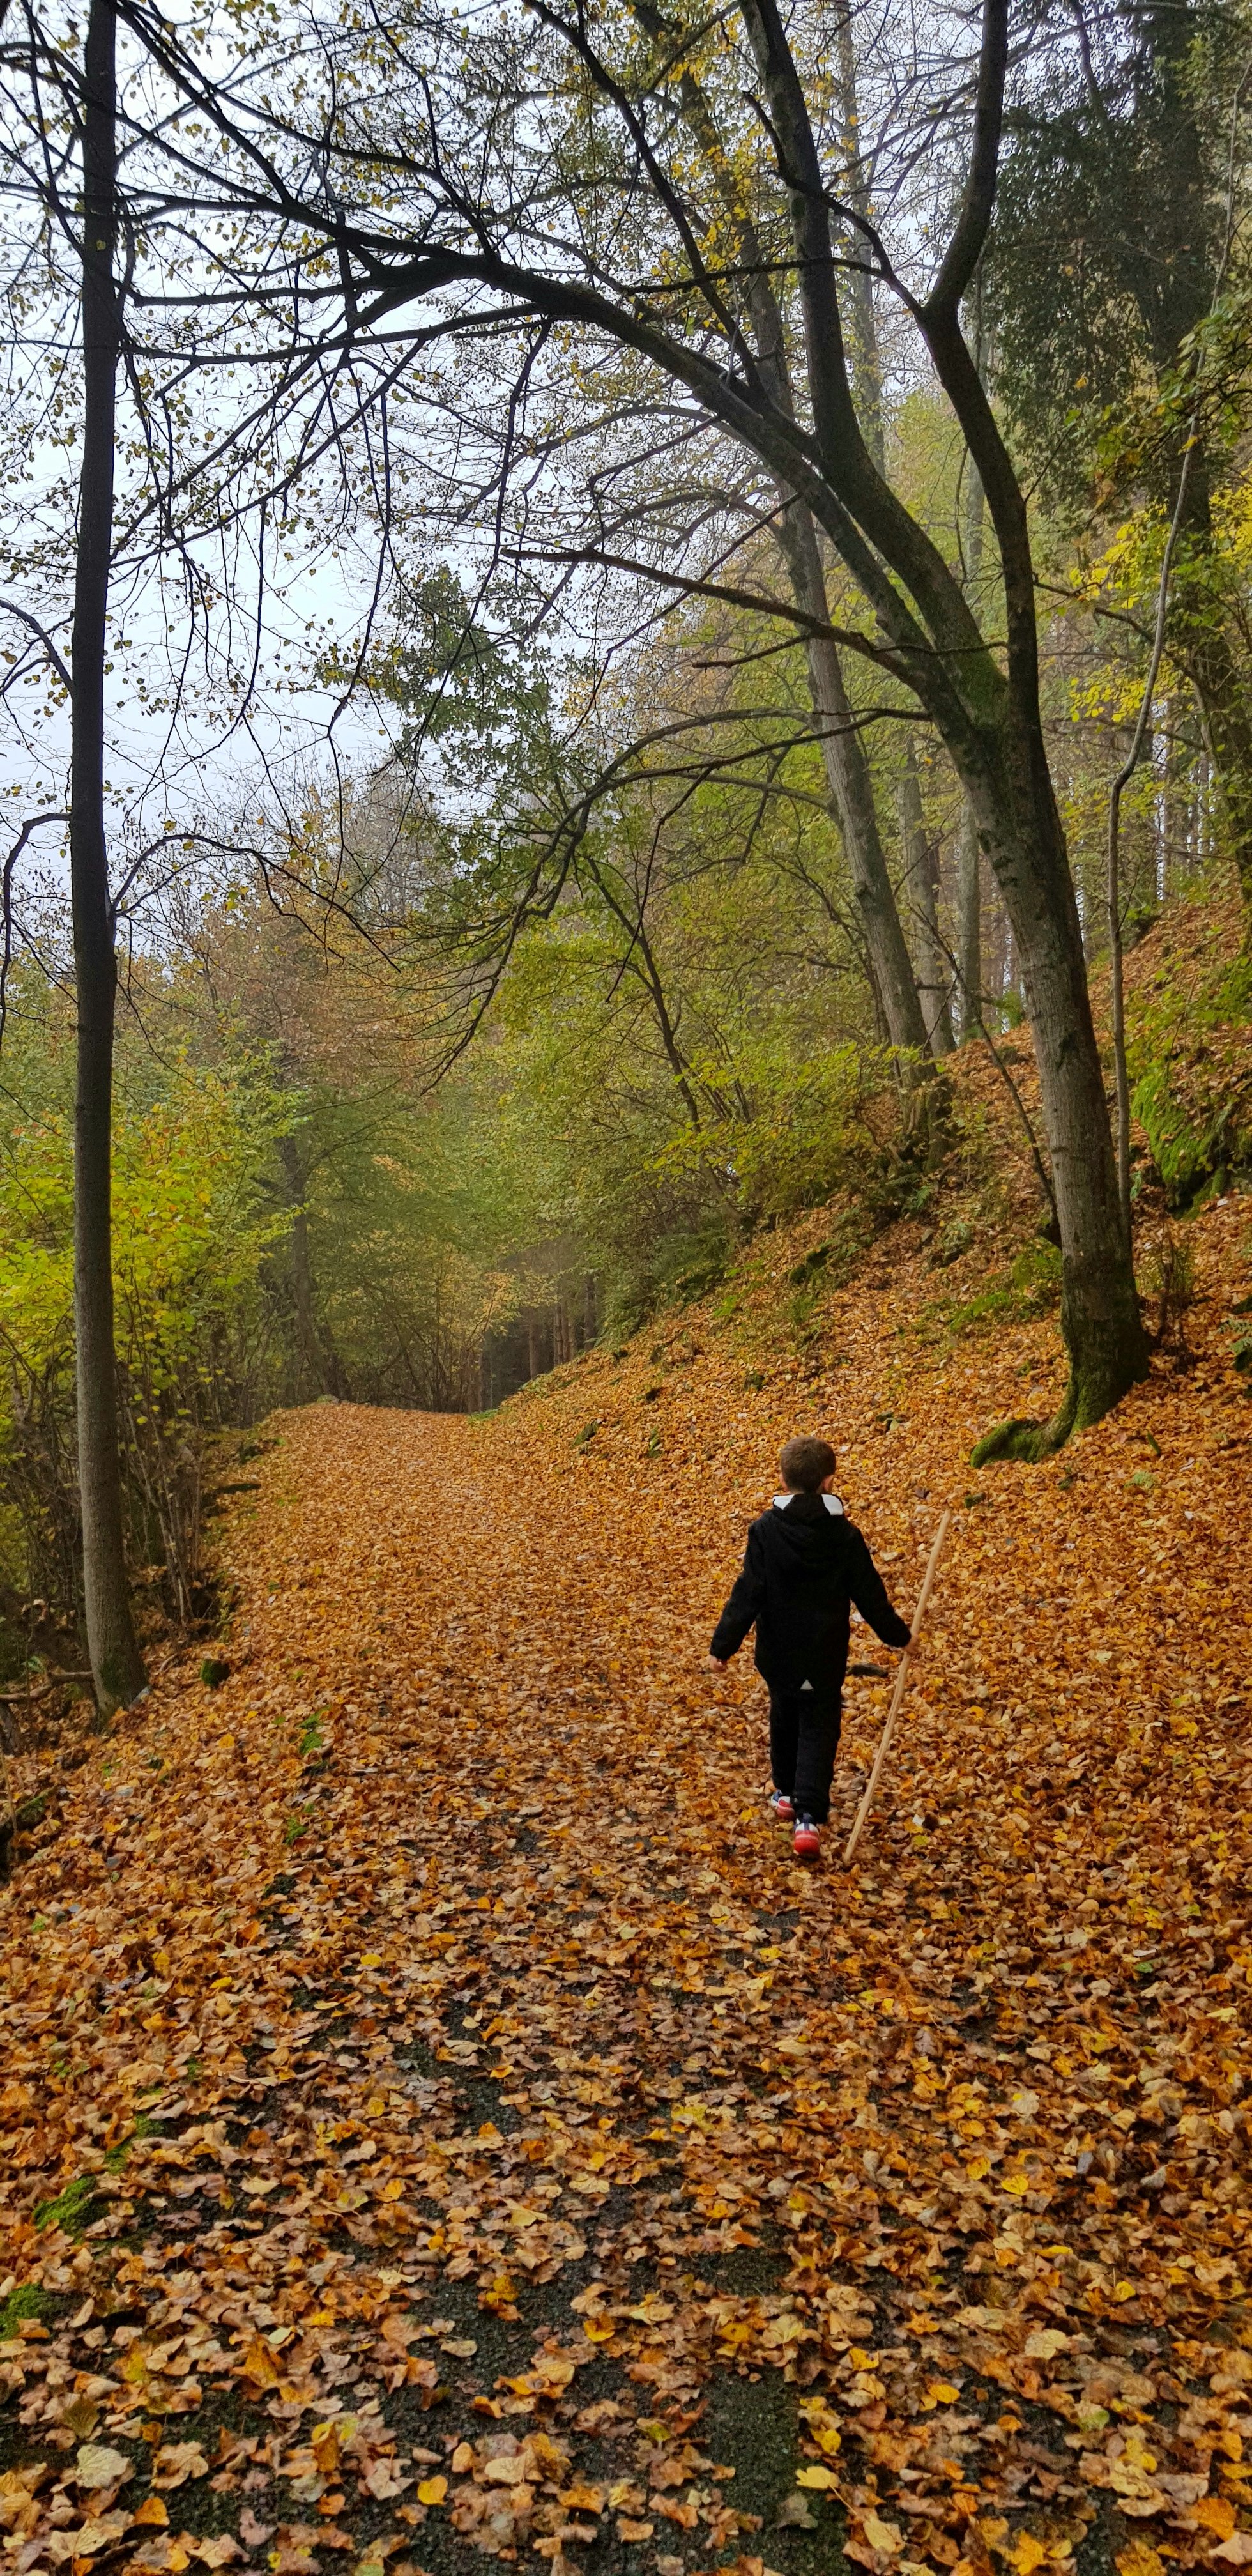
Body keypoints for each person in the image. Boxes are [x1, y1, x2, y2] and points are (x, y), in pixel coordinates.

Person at [707, 1434, 914, 1861]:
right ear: (829, 1481)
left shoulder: (766, 1531)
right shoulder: (844, 1536)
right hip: (823, 1653)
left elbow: (750, 1591)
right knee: (819, 1726)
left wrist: (723, 1645)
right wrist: (899, 1636)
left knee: (784, 1714)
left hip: (779, 1654)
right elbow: (869, 1593)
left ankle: (785, 1792)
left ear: (782, 1480)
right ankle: (807, 1815)